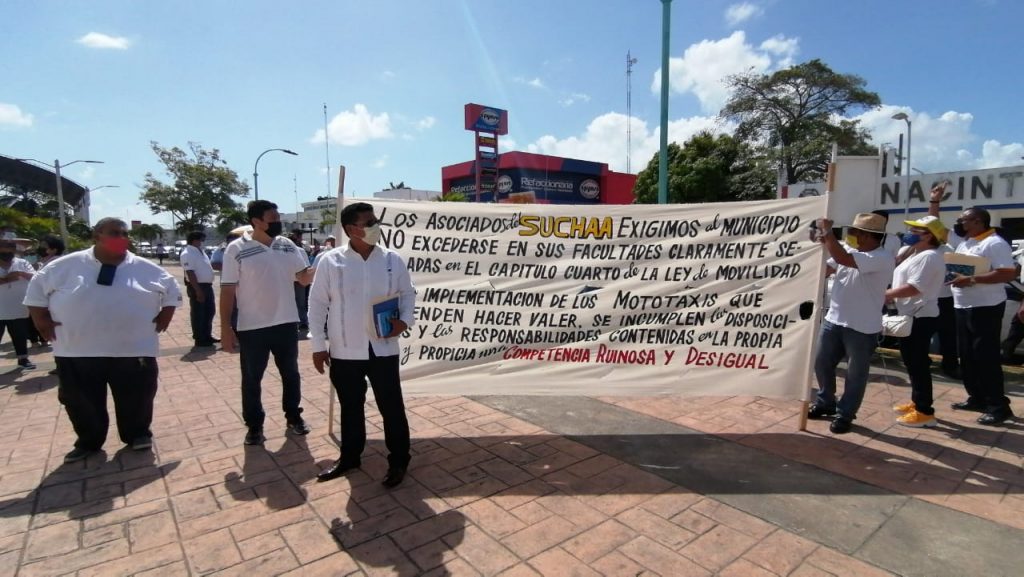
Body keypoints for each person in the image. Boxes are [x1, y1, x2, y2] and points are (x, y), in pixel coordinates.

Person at [24, 218, 180, 463]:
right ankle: (88, 441)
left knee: (138, 396)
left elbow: (173, 291)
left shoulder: (145, 268)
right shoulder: (64, 266)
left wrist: (166, 315)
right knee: (80, 400)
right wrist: (41, 320)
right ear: (97, 236)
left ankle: (138, 434)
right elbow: (35, 294)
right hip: (77, 350)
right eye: (114, 233)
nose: (121, 238)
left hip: (134, 349)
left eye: (124, 233)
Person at [310, 202, 415, 488]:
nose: (375, 226)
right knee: (350, 407)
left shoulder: (392, 259)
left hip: (383, 348)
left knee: (391, 406)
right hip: (344, 349)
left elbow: (407, 294)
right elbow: (317, 303)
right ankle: (350, 457)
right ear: (351, 229)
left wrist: (404, 321)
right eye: (369, 223)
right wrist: (318, 345)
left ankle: (399, 460)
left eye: (375, 221)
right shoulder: (330, 261)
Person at [220, 200, 314, 445]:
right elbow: (227, 291)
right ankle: (254, 425)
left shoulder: (287, 245)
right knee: (252, 379)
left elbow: (303, 279)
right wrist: (225, 328)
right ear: (256, 221)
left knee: (291, 374)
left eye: (278, 218)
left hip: (286, 323)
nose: (278, 222)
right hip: (252, 328)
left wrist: (322, 263)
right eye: (273, 219)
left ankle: (293, 416)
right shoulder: (236, 249)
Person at [929, 189, 1016, 425]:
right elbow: (935, 227)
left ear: (978, 221)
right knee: (967, 356)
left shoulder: (994, 243)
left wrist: (972, 280)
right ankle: (977, 398)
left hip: (985, 307)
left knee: (985, 357)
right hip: (962, 305)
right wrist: (934, 201)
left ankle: (998, 406)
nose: (959, 223)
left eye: (964, 220)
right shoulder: (966, 242)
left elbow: (1007, 273)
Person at [808, 213, 895, 434]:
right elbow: (828, 268)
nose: (851, 235)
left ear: (867, 236)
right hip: (834, 320)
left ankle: (845, 414)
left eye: (854, 232)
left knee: (856, 375)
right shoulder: (850, 250)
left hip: (862, 327)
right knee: (821, 363)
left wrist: (829, 234)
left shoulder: (882, 257)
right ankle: (826, 402)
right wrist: (819, 247)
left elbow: (843, 260)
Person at [885, 216, 948, 427]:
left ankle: (924, 412)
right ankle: (917, 401)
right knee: (912, 362)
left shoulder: (929, 257)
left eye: (916, 230)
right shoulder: (917, 253)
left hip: (920, 317)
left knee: (918, 363)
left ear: (929, 236)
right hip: (912, 314)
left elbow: (914, 288)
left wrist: (885, 294)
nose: (910, 233)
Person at [0, 240, 37, 370]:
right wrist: (7, 279)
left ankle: (23, 359)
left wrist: (20, 273)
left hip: (18, 307)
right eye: (3, 252)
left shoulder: (22, 263)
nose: (7, 254)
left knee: (20, 335)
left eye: (10, 252)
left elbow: (35, 277)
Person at [181, 231, 218, 348]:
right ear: (194, 240)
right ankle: (199, 339)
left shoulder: (200, 252)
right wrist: (198, 290)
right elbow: (190, 272)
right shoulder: (187, 253)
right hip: (197, 286)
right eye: (201, 240)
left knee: (209, 311)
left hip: (207, 286)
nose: (202, 242)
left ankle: (207, 335)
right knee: (199, 314)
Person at [289, 229, 311, 335]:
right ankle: (302, 322)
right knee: (300, 303)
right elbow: (307, 266)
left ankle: (299, 322)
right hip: (298, 281)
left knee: (294, 302)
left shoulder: (299, 250)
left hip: (292, 281)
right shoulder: (300, 250)